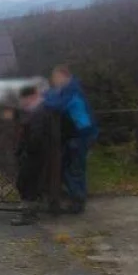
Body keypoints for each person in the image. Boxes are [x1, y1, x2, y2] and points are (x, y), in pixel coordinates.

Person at [43, 65, 98, 214]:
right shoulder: (67, 89)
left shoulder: (72, 90)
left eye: (55, 78)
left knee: (74, 169)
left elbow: (58, 104)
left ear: (63, 76)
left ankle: (78, 202)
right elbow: (53, 96)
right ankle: (75, 198)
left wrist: (40, 99)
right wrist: (43, 95)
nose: (54, 81)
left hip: (80, 135)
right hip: (77, 135)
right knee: (70, 167)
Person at [11, 86, 53, 226]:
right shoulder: (36, 110)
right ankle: (30, 210)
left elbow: (36, 136)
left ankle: (28, 214)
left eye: (23, 99)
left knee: (27, 184)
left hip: (34, 154)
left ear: (30, 97)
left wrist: (26, 151)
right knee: (26, 183)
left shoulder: (39, 112)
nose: (21, 103)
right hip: (33, 153)